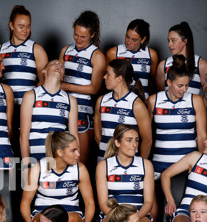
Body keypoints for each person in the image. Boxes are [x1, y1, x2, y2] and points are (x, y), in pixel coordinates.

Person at [21, 131, 94, 222]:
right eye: (73, 150)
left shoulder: (80, 169)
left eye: (77, 149)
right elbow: (25, 202)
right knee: (45, 221)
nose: (78, 154)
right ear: (60, 152)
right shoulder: (38, 168)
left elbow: (89, 202)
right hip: (43, 211)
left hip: (71, 212)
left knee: (71, 220)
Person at [59, 11, 106, 166]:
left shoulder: (97, 55)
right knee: (59, 160)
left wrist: (66, 86)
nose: (78, 39)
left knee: (80, 163)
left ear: (92, 35)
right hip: (62, 109)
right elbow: (57, 79)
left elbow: (94, 88)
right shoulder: (65, 51)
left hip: (83, 112)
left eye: (83, 36)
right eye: (76, 35)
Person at [148, 55, 207, 178]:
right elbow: (146, 135)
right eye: (180, 86)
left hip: (188, 167)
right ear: (169, 82)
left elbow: (202, 135)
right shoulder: (153, 100)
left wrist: (201, 165)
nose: (184, 90)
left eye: (187, 85)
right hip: (160, 165)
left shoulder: (195, 100)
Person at [96, 125, 155, 222]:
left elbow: (148, 202)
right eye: (129, 140)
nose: (134, 145)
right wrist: (120, 219)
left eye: (136, 140)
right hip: (112, 215)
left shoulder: (146, 165)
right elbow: (103, 204)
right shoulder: (103, 166)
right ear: (117, 143)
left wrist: (135, 218)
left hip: (140, 215)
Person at [19, 60, 78, 163]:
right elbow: (23, 135)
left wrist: (75, 164)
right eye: (54, 63)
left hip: (60, 159)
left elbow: (74, 136)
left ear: (63, 77)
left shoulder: (71, 100)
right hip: (36, 159)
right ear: (44, 71)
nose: (59, 65)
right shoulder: (31, 95)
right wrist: (26, 166)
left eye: (62, 66)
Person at [93, 59, 152, 161]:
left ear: (119, 78)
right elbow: (98, 133)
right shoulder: (101, 101)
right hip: (104, 163)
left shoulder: (136, 105)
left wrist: (139, 165)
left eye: (108, 74)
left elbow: (147, 140)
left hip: (129, 167)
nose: (104, 77)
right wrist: (110, 154)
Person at [0, 5, 48, 105]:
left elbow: (43, 82)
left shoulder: (37, 49)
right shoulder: (0, 49)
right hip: (6, 104)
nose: (25, 30)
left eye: (28, 26)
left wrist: (31, 102)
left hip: (28, 105)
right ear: (11, 25)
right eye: (21, 27)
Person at [156, 21, 207, 107]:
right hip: (168, 117)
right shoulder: (163, 65)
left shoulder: (201, 64)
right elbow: (160, 96)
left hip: (189, 118)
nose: (169, 44)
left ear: (185, 41)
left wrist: (195, 112)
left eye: (173, 40)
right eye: (168, 41)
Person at [105, 19, 159, 99]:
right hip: (119, 102)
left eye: (134, 40)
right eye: (127, 37)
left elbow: (152, 83)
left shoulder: (152, 55)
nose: (129, 42)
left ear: (143, 39)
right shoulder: (113, 53)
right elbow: (106, 80)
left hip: (142, 103)